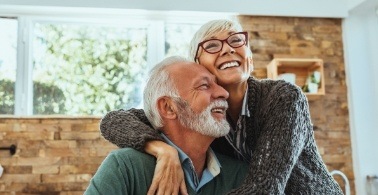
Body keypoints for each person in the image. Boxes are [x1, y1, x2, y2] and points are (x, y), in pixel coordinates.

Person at [100, 19, 343, 194]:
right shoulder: (204, 115)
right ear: (198, 64)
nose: (228, 48)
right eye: (212, 45)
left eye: (236, 40)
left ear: (249, 55)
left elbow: (264, 189)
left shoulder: (283, 98)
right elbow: (114, 120)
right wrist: (163, 150)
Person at [85, 56, 249, 195]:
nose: (223, 93)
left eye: (217, 84)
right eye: (204, 86)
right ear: (169, 107)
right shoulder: (125, 167)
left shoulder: (240, 174)